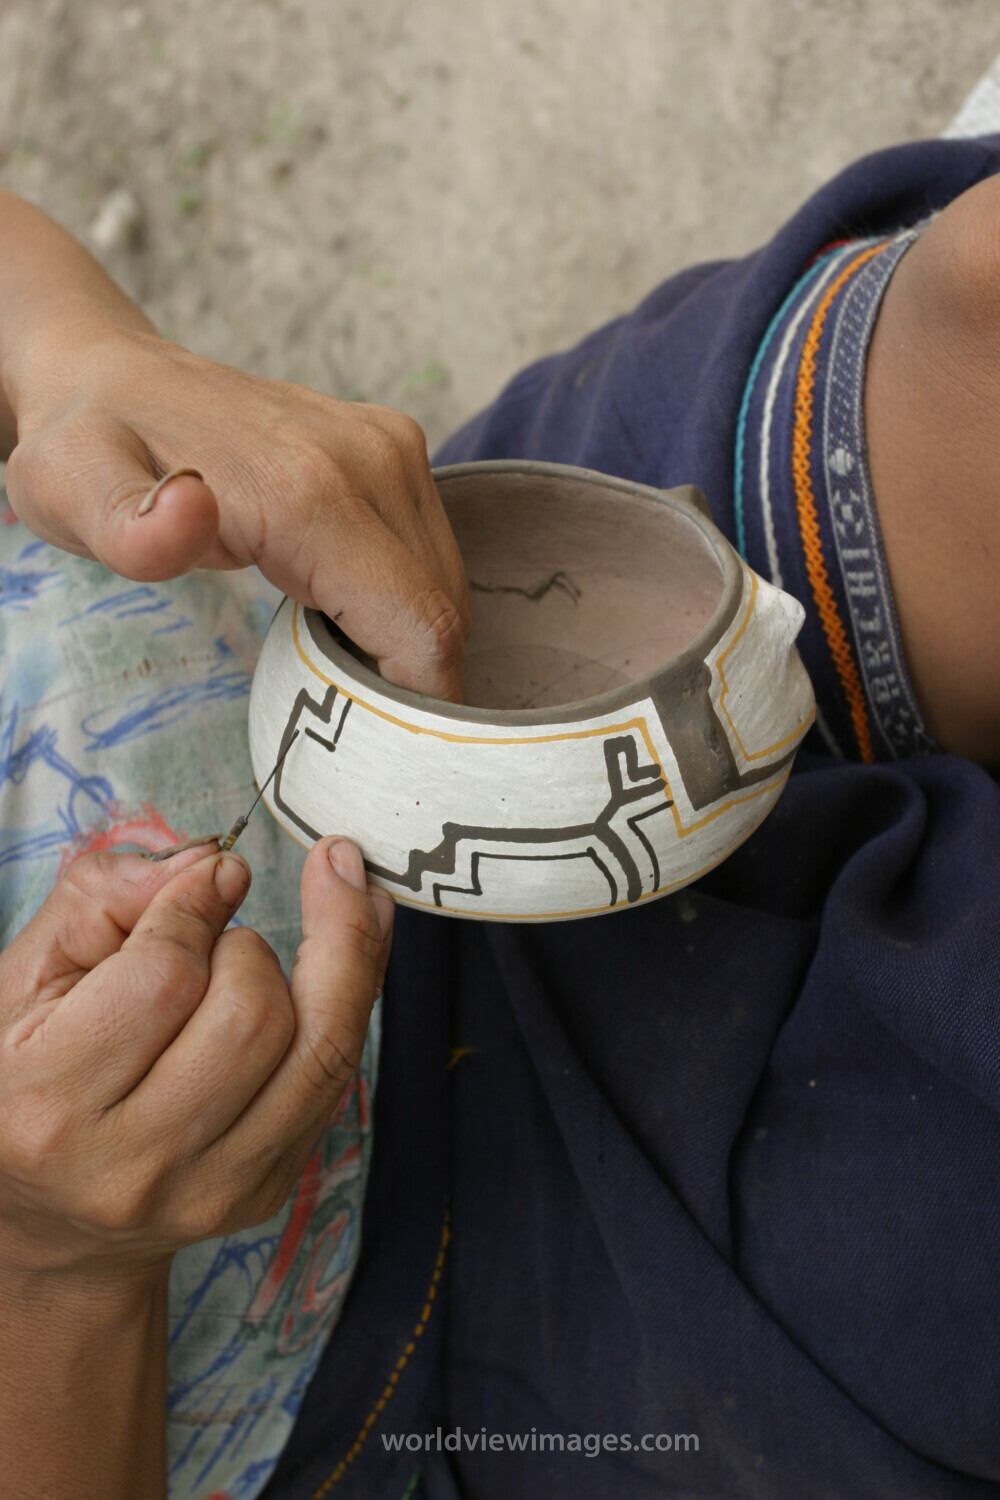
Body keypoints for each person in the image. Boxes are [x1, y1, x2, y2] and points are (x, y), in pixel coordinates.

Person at [2, 123, 1000, 1500]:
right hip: (396, 1335)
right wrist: (51, 1267)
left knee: (983, 313)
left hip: (439, 621)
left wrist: (79, 362)